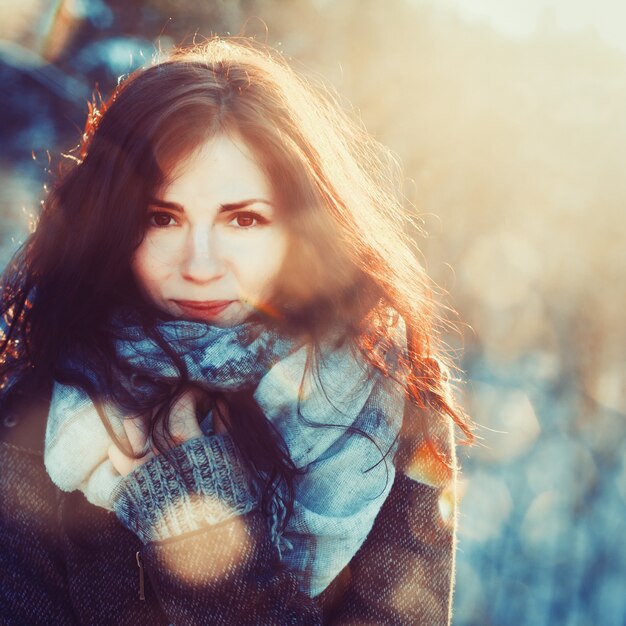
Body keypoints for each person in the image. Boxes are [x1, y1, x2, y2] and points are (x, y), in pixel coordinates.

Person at [0, 38, 472, 624]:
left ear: (301, 227)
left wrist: (204, 526)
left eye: (243, 218)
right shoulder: (40, 417)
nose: (200, 265)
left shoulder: (386, 398)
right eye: (161, 217)